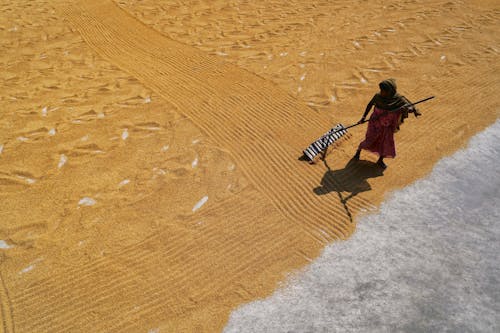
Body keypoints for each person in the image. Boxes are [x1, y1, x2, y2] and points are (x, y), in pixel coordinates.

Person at [353, 78, 421, 169]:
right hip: (375, 122)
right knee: (370, 139)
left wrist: (412, 110)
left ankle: (380, 160)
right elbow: (370, 104)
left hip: (387, 125)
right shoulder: (378, 96)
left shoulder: (398, 98)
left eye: (384, 91)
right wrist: (363, 118)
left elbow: (408, 105)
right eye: (381, 90)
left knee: (385, 142)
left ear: (390, 91)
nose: (382, 92)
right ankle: (358, 151)